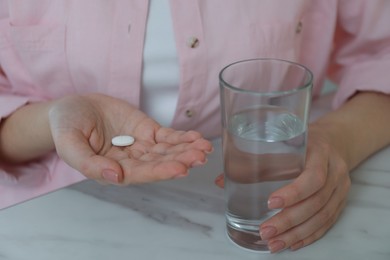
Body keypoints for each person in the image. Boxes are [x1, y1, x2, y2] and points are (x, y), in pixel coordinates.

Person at [1, 0, 390, 253]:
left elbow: (383, 51)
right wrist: (55, 118)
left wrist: (337, 139)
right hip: (50, 221)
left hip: (268, 199)